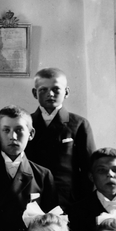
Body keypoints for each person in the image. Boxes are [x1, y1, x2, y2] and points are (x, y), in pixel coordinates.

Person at [26, 67, 97, 207]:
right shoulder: (26, 123)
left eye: (56, 89)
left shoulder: (79, 124)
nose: (50, 94)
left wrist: (83, 202)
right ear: (35, 93)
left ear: (66, 92)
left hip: (67, 199)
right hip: (33, 195)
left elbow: (89, 169)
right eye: (43, 90)